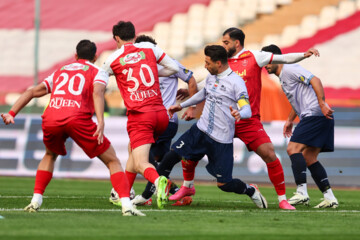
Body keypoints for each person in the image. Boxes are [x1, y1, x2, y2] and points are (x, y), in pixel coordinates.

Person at [172, 27, 319, 210]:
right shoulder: (222, 61)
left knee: (269, 153)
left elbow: (284, 58)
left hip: (247, 119)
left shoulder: (255, 57)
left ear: (237, 43)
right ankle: (187, 187)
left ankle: (282, 199)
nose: (223, 45)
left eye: (226, 42)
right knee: (191, 151)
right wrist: (191, 90)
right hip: (221, 119)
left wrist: (304, 55)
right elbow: (212, 80)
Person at [1, 40, 144, 216]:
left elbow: (31, 91)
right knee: (112, 160)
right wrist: (100, 121)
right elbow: (97, 93)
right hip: (77, 118)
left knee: (49, 155)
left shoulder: (61, 71)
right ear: (95, 57)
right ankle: (127, 206)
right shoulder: (98, 72)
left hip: (52, 117)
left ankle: (35, 200)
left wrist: (11, 113)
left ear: (75, 55)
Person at [166, 45, 268, 209]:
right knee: (175, 155)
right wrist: (182, 105)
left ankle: (251, 190)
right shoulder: (211, 77)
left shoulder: (236, 82)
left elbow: (247, 108)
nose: (205, 66)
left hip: (221, 139)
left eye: (207, 63)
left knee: (225, 184)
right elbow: (203, 93)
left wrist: (240, 114)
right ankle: (174, 189)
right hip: (201, 129)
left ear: (218, 63)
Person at [108, 35, 198, 206]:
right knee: (156, 161)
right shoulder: (168, 63)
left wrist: (191, 106)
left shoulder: (139, 65)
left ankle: (137, 195)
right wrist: (190, 105)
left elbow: (192, 80)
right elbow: (191, 79)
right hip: (166, 120)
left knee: (139, 157)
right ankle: (178, 193)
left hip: (153, 117)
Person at [102, 21, 179, 209]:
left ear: (116, 39)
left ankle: (159, 180)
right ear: (134, 36)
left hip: (140, 116)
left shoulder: (113, 58)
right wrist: (154, 72)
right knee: (133, 155)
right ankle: (123, 194)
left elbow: (99, 84)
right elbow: (174, 69)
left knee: (140, 163)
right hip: (161, 114)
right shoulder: (149, 49)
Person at [261, 44, 338, 208]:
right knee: (309, 158)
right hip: (319, 116)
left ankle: (302, 192)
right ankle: (330, 198)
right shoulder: (283, 77)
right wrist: (290, 120)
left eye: (267, 61)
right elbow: (297, 100)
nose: (265, 65)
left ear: (276, 58)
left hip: (315, 114)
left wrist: (322, 103)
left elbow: (315, 79)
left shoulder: (289, 69)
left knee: (292, 149)